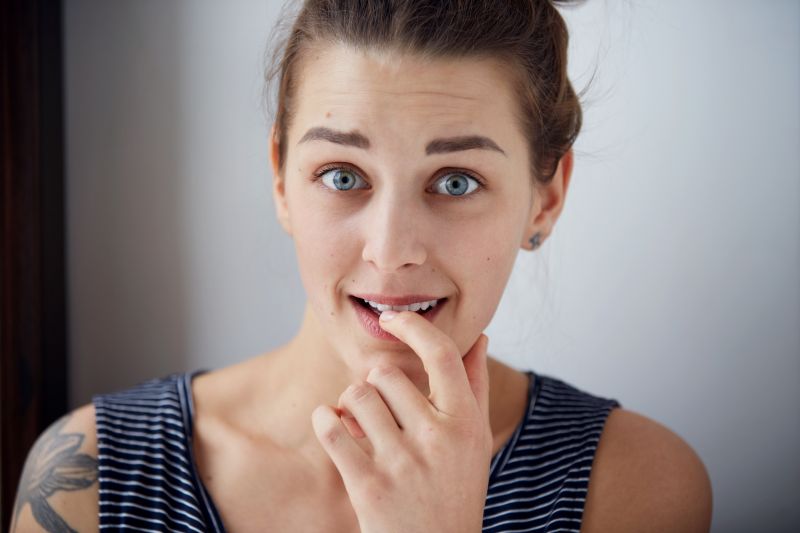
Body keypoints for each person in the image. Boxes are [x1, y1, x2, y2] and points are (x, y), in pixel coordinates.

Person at [11, 1, 713, 531]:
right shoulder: (90, 478)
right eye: (343, 176)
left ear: (546, 197)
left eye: (456, 182)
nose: (390, 248)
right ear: (281, 176)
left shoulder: (632, 487)